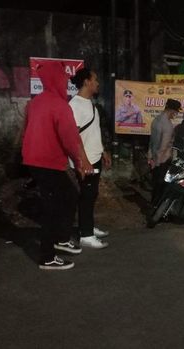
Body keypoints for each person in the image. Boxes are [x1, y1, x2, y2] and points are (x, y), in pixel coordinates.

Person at [22, 60, 94, 270]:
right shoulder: (59, 105)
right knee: (52, 207)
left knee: (69, 196)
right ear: (56, 80)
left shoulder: (37, 102)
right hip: (47, 163)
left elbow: (26, 129)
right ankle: (47, 257)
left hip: (36, 161)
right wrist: (79, 162)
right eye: (63, 77)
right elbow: (70, 138)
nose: (66, 81)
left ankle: (61, 239)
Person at [69, 68, 111, 249]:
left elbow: (93, 131)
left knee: (91, 194)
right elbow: (74, 137)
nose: (98, 83)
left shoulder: (89, 103)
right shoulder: (75, 105)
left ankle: (88, 227)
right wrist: (83, 161)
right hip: (84, 160)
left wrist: (103, 151)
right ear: (86, 82)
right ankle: (86, 235)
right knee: (86, 195)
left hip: (94, 157)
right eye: (95, 80)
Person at [148, 98, 181, 205]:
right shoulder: (168, 125)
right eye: (176, 112)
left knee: (155, 186)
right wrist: (157, 162)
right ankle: (157, 208)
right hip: (162, 160)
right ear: (172, 110)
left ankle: (153, 205)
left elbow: (152, 140)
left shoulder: (156, 120)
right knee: (161, 187)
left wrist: (151, 158)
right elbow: (164, 146)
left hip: (154, 157)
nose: (175, 115)